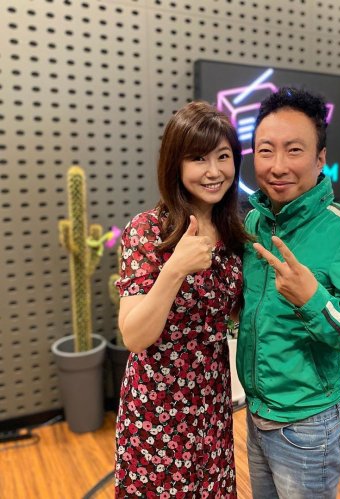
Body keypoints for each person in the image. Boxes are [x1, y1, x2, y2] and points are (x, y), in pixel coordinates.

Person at [236, 87, 340, 498]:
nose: (278, 166)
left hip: (308, 425)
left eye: (294, 150)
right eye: (266, 151)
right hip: (257, 412)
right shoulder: (254, 224)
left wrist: (312, 300)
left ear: (320, 159)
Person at [114, 101, 250, 498]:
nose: (214, 171)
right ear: (175, 163)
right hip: (157, 410)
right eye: (198, 158)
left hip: (212, 404)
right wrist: (174, 269)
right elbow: (134, 336)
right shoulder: (147, 230)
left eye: (223, 156)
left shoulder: (233, 230)